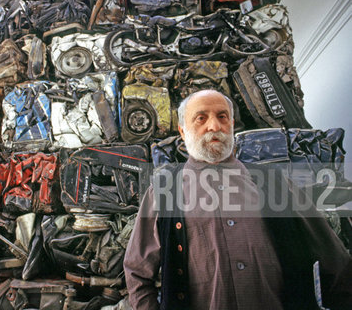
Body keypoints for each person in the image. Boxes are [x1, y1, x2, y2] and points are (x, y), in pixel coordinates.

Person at [123, 89, 351, 310]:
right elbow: (137, 273)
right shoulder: (163, 192)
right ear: (183, 132)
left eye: (222, 117)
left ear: (232, 125)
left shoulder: (275, 183)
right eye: (201, 118)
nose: (214, 126)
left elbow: (334, 259)